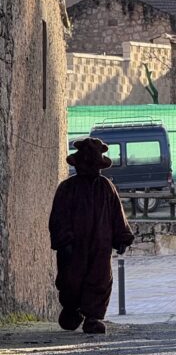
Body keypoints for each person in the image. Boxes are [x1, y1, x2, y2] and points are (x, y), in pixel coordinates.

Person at [49, 137, 134, 334]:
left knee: (100, 278)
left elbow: (116, 214)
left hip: (100, 244)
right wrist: (64, 241)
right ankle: (72, 309)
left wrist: (121, 237)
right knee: (71, 280)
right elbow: (58, 217)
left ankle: (93, 316)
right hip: (74, 246)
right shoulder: (67, 188)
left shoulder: (106, 187)